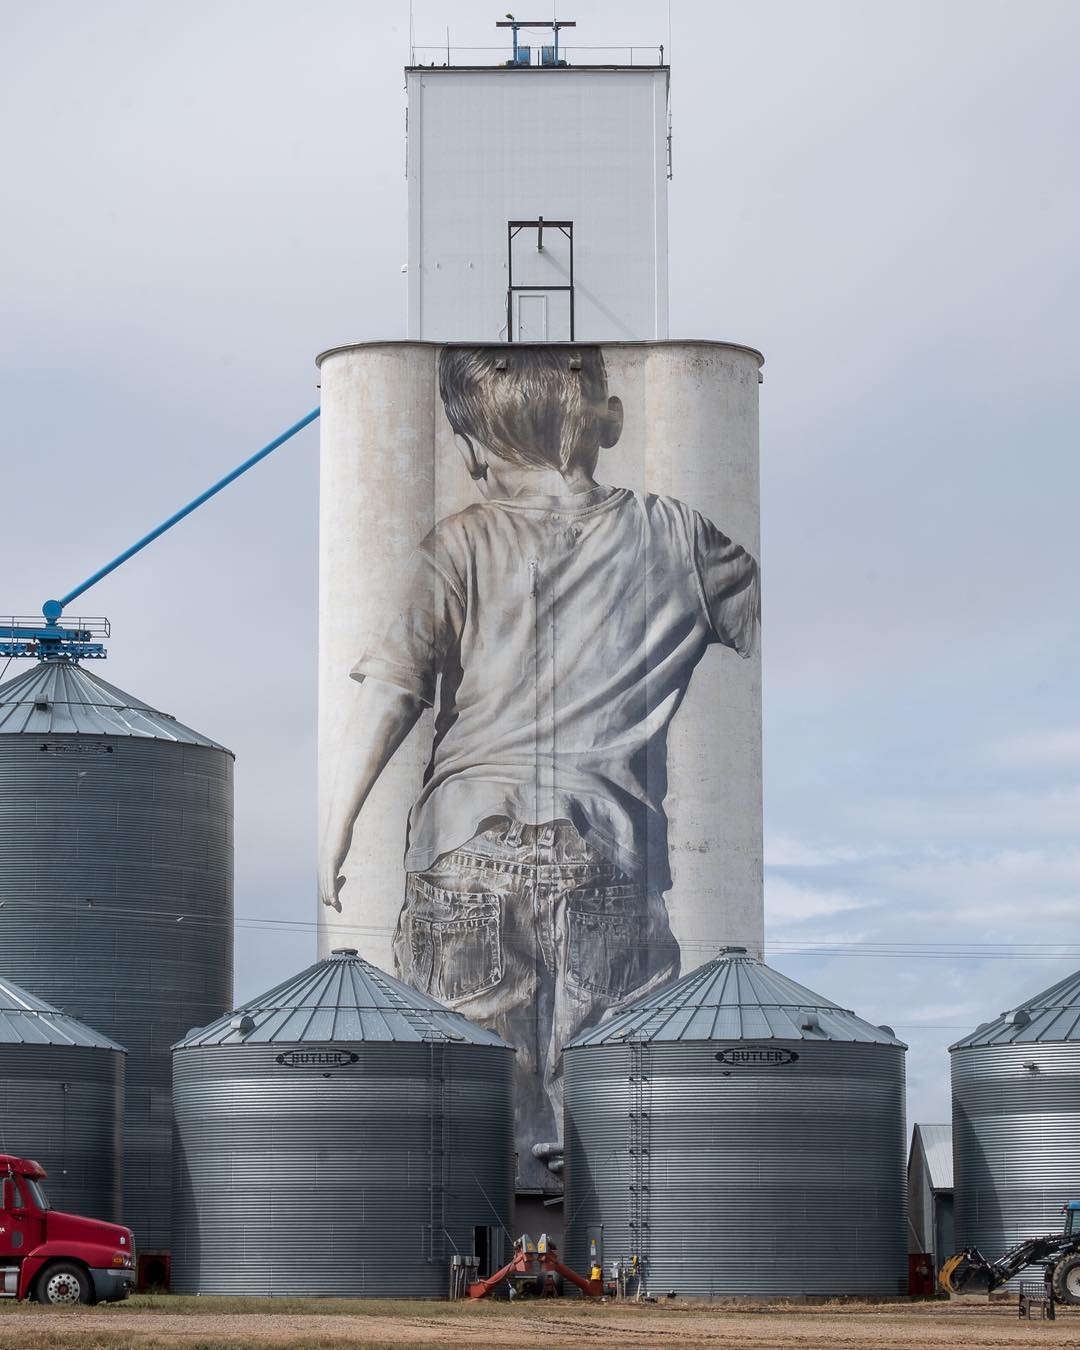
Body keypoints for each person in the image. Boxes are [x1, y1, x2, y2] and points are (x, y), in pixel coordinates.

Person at [320, 345, 759, 1188]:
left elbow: (393, 691)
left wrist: (337, 825)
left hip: (464, 850)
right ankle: (609, 1252)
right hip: (607, 855)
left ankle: (471, 1258)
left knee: (469, 1086)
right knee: (611, 1093)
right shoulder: (680, 538)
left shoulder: (457, 544)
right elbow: (765, 627)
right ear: (609, 421)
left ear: (472, 449)